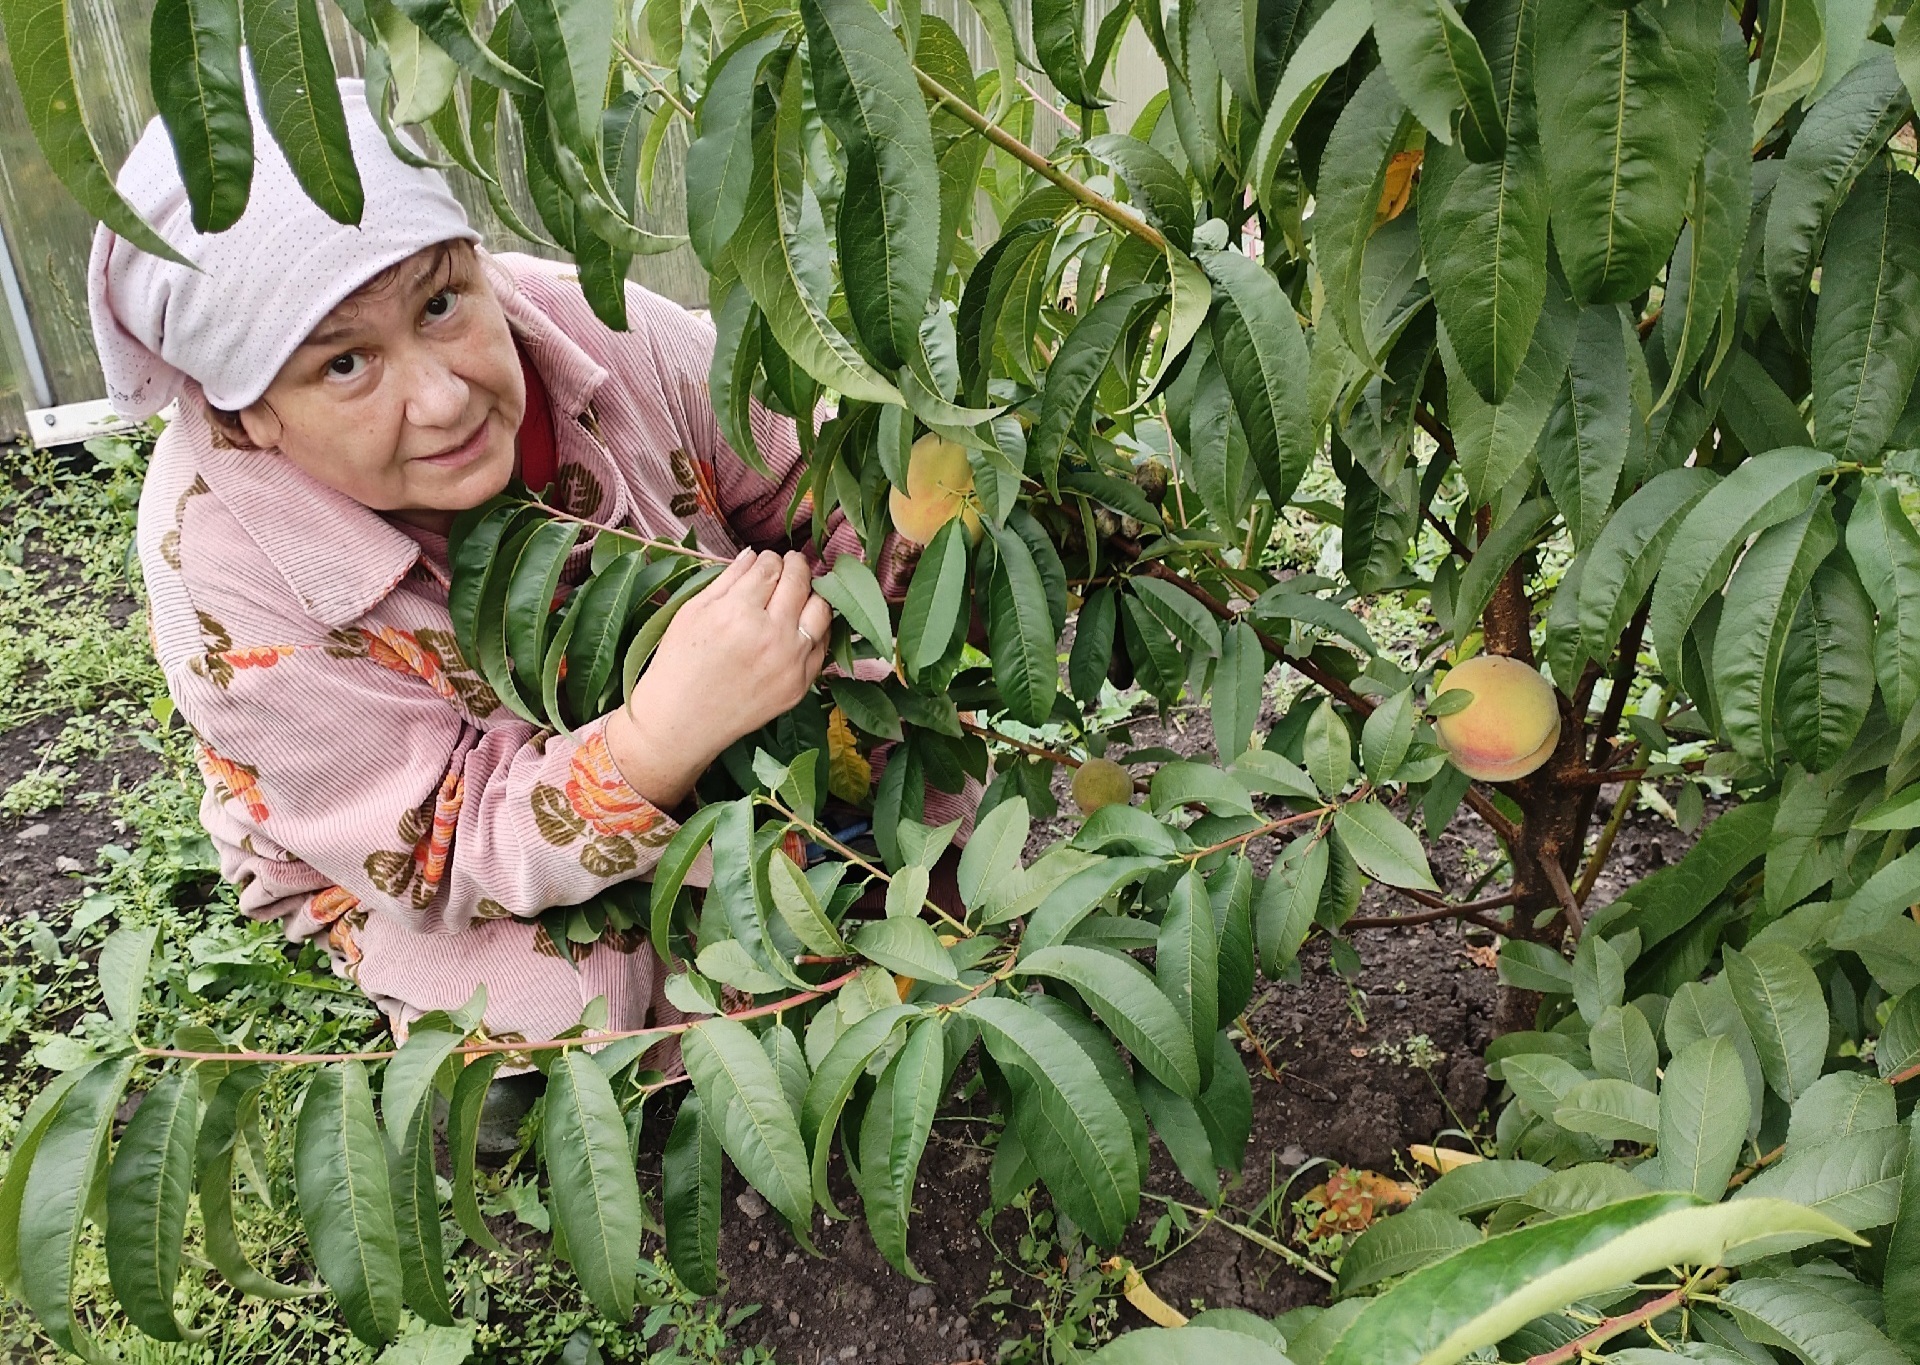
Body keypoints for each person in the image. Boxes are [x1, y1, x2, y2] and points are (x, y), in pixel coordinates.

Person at [88, 77, 970, 1064]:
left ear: (474, 263)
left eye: (440, 303)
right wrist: (654, 740)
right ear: (251, 412)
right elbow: (433, 848)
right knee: (549, 1014)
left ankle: (833, 863)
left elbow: (805, 473)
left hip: (734, 683)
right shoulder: (226, 574)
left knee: (928, 765)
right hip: (422, 829)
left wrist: (872, 597)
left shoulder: (590, 329)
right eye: (345, 365)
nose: (442, 396)